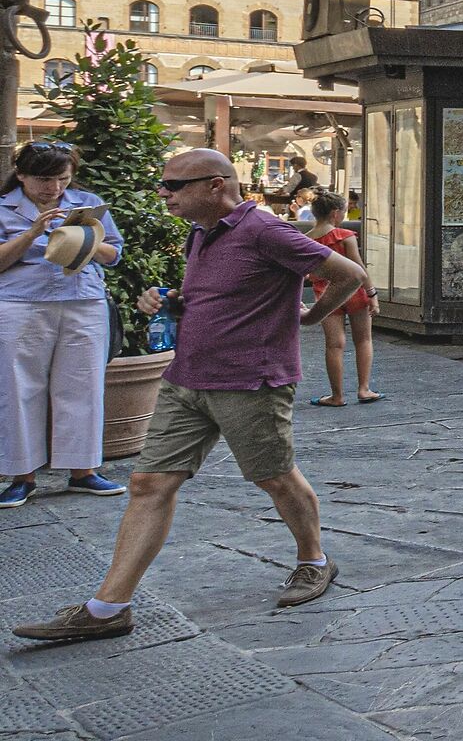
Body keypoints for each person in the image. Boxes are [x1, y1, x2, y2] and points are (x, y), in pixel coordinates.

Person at [14, 150, 368, 643]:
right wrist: (174, 301)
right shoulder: (200, 231)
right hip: (187, 379)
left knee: (275, 478)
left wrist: (308, 317)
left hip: (250, 380)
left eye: (174, 186)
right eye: (164, 185)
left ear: (216, 185)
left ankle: (315, 560)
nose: (164, 193)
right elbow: (215, 293)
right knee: (147, 484)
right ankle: (108, 607)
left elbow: (351, 275)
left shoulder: (265, 230)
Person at [0, 140, 126, 508]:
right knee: (19, 387)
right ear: (20, 175)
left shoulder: (86, 204)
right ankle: (21, 475)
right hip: (21, 303)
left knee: (83, 384)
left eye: (62, 179)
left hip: (83, 301)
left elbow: (114, 255)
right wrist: (31, 234)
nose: (53, 188)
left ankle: (83, 471)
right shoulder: (4, 208)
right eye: (43, 179)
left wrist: (86, 238)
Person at [302, 201, 379, 407]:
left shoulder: (306, 240)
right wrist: (371, 292)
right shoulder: (345, 236)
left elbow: (305, 273)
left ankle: (337, 396)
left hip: (326, 295)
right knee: (363, 340)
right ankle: (364, 389)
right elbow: (358, 267)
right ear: (336, 213)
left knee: (334, 345)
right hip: (355, 292)